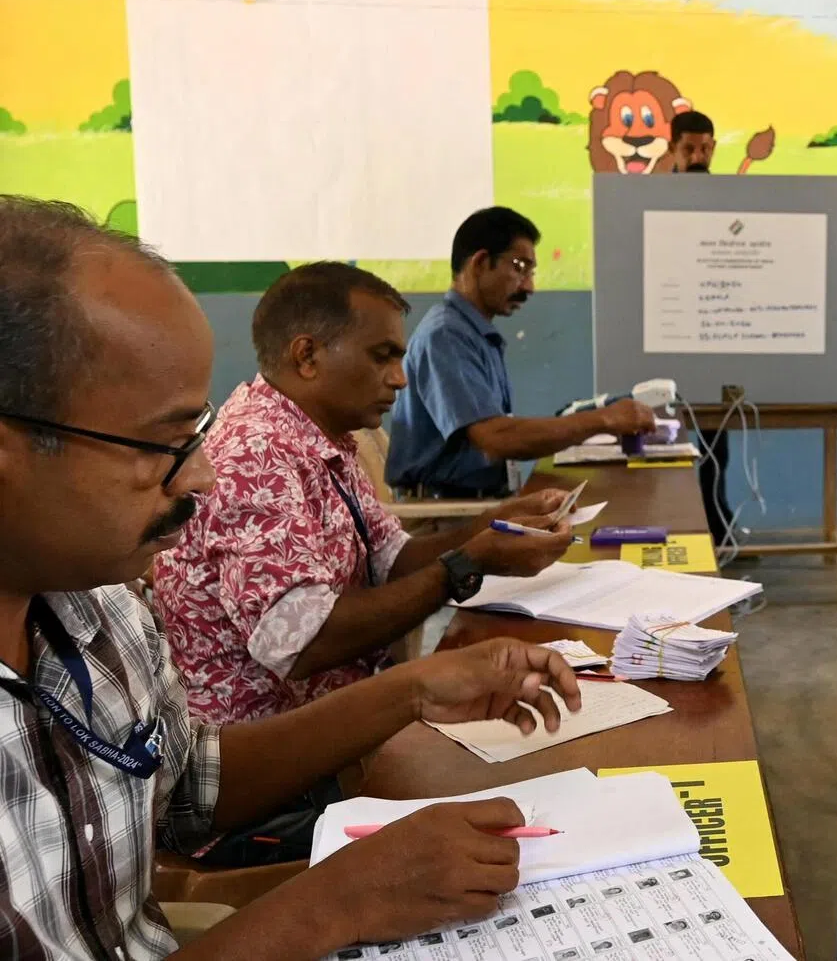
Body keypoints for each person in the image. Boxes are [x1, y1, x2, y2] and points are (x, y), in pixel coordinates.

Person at [0, 197, 583, 960]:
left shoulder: (97, 608)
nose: (204, 475)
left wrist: (413, 686)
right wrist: (336, 901)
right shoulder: (256, 459)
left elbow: (187, 787)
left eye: (197, 432)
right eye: (164, 445)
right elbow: (301, 645)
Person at [154, 262, 573, 730]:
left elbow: (391, 558)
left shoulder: (320, 437)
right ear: (307, 357)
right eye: (382, 356)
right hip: (282, 761)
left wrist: (491, 527)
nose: (400, 378)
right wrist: (466, 563)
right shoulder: (254, 455)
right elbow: (304, 643)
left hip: (346, 717)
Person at [386, 207, 656, 497]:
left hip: (479, 503)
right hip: (445, 516)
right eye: (519, 267)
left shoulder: (474, 333)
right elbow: (496, 438)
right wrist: (604, 419)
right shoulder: (446, 335)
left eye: (531, 271)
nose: (529, 286)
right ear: (480, 262)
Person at [670, 111, 732, 542]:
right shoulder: (648, 200)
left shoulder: (727, 198)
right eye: (689, 148)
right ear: (673, 149)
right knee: (667, 444)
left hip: (715, 331)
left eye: (705, 147)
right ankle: (679, 529)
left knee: (716, 443)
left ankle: (716, 525)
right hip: (667, 333)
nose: (698, 155)